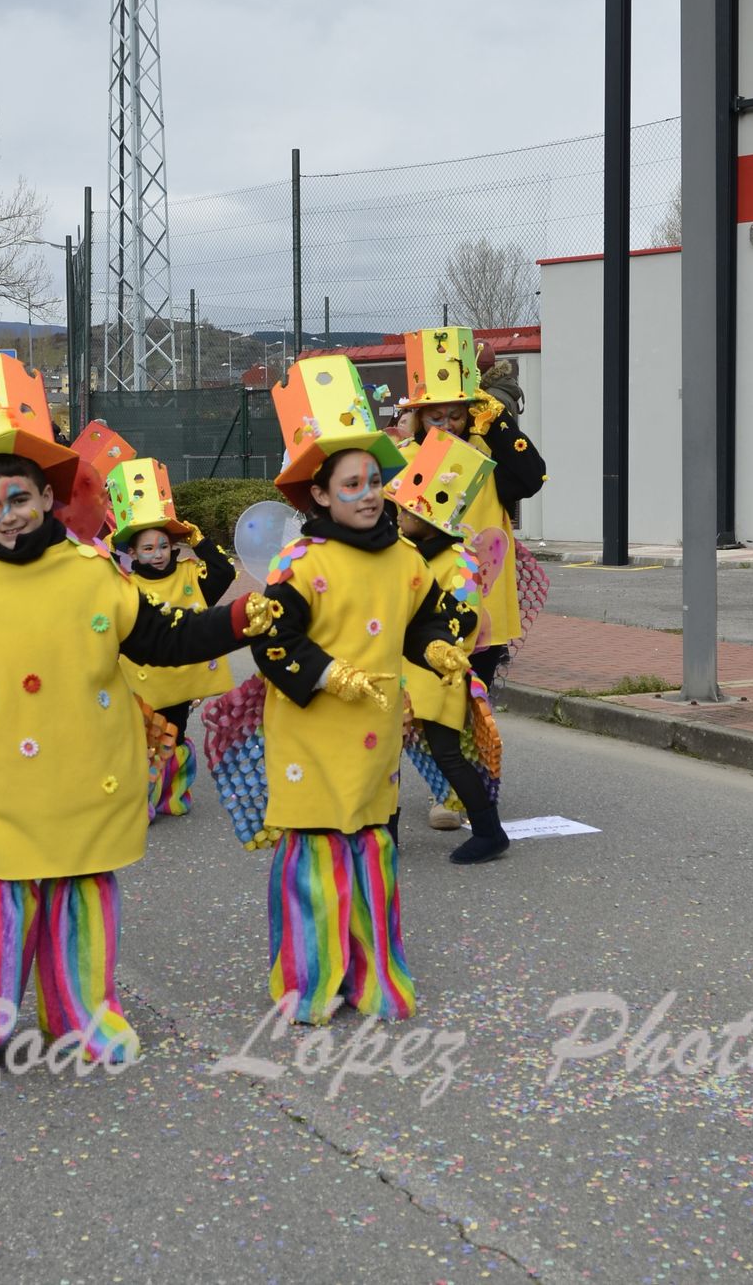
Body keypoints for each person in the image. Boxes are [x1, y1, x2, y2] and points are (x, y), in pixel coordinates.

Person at [0, 399, 277, 1080]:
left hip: (87, 771)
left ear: (47, 498)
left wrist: (241, 618)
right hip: (3, 777)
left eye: (19, 497)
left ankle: (82, 1019)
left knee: (81, 890)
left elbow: (168, 639)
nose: (7, 513)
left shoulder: (96, 574)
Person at [226, 354, 472, 1024]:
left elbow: (417, 620)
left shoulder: (403, 560)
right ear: (322, 496)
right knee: (315, 855)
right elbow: (273, 642)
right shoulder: (300, 566)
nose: (367, 493)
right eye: (351, 484)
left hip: (374, 735)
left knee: (370, 847)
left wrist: (439, 647)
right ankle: (308, 981)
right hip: (311, 732)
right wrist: (328, 672)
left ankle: (371, 973)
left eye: (372, 481)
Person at [393, 327, 544, 824]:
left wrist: (496, 420)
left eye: (456, 412)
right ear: (417, 416)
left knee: (467, 702)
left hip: (482, 606)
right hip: (420, 609)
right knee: (418, 705)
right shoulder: (402, 460)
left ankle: (467, 794)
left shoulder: (489, 453)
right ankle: (451, 787)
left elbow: (531, 477)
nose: (446, 423)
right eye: (434, 414)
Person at [391, 429, 509, 865]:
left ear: (434, 517)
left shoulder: (457, 561)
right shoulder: (405, 551)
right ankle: (387, 839)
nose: (399, 512)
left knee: (448, 754)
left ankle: (490, 831)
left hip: (435, 671)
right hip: (400, 672)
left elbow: (464, 619)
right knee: (387, 755)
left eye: (408, 507)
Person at [109, 458, 238, 816]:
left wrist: (201, 541)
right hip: (138, 682)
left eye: (163, 546)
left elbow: (225, 572)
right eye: (147, 549)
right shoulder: (122, 584)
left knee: (175, 736)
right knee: (140, 739)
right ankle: (142, 802)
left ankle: (171, 796)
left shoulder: (189, 577)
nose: (157, 555)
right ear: (132, 553)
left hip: (179, 682)